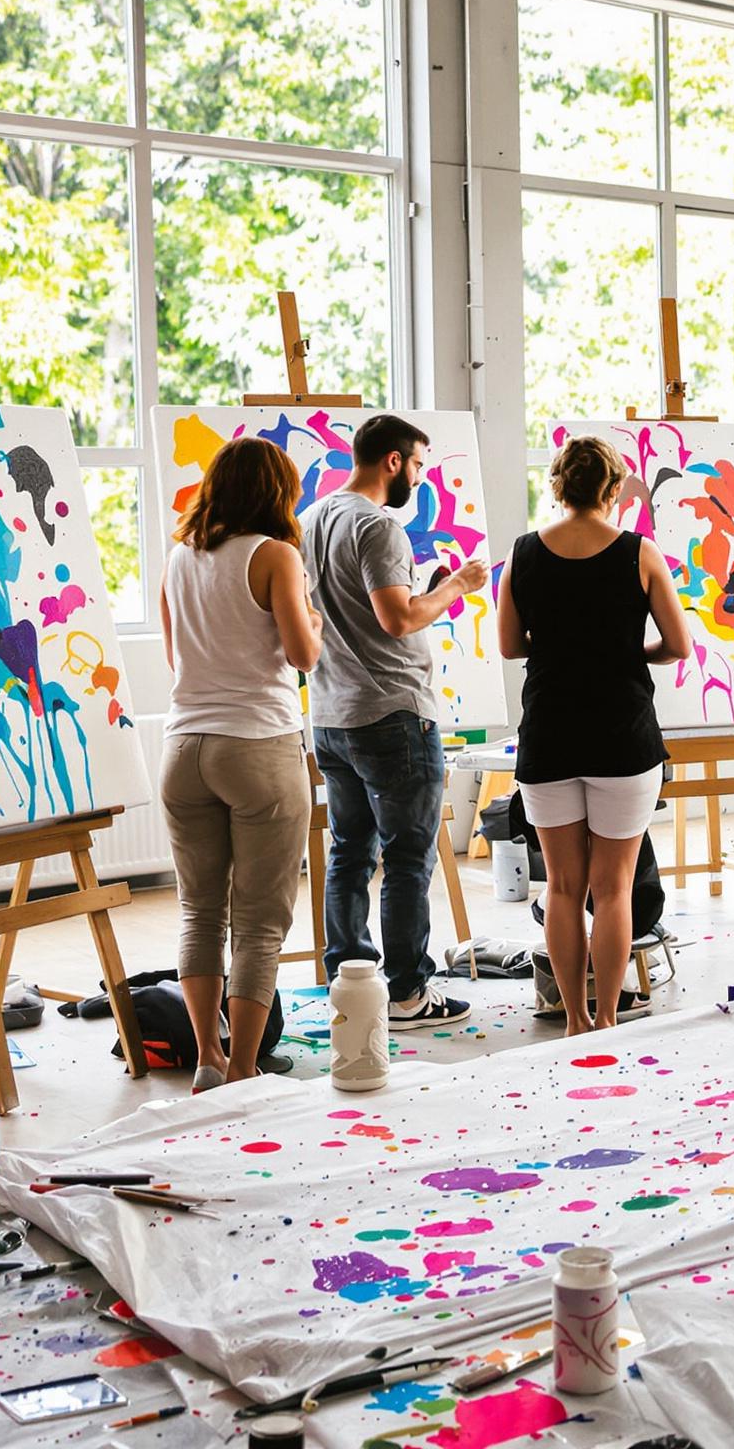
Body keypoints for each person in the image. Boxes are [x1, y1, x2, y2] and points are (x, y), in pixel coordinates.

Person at [495, 436, 691, 1032]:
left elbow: (509, 646)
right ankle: (607, 1015)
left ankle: (574, 1016)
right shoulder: (640, 552)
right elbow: (678, 645)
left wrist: (561, 650)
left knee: (561, 887)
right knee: (613, 890)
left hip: (550, 734)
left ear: (558, 486)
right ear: (612, 489)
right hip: (623, 737)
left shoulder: (524, 554)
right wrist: (626, 653)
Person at [303, 413, 487, 1029]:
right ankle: (409, 993)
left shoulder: (313, 520)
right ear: (393, 462)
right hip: (391, 712)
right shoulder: (379, 524)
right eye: (419, 464)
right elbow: (397, 619)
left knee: (348, 855)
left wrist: (424, 592)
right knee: (408, 858)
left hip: (332, 713)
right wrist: (456, 586)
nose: (420, 475)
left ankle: (349, 983)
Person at [158, 437, 320, 1092]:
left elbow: (176, 658)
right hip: (257, 746)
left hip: (184, 747)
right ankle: (248, 1070)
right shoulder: (275, 555)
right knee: (260, 923)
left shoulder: (179, 556)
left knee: (200, 912)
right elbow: (304, 655)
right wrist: (308, 612)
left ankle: (207, 1060)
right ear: (274, 492)